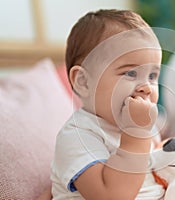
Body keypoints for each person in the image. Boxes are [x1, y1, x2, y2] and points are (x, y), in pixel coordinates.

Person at [50, 9, 165, 199]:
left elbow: (156, 164)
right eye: (130, 73)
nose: (146, 87)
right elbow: (111, 196)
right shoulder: (77, 136)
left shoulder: (144, 125)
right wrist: (136, 134)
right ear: (84, 82)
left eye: (152, 76)